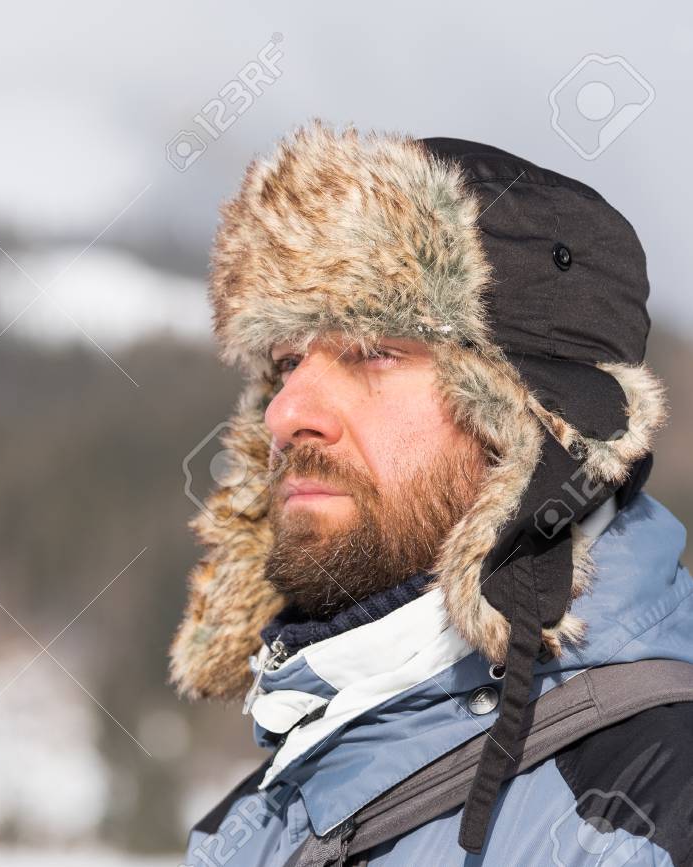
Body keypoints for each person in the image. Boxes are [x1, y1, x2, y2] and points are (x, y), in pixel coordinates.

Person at [171, 120, 692, 865]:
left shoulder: (639, 822)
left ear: (531, 423)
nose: (287, 414)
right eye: (287, 361)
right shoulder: (254, 822)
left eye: (374, 351)